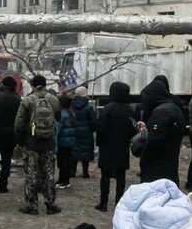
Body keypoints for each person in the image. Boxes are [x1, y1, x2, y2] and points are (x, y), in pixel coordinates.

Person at [14, 74, 62, 215]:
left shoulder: (27, 100)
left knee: (32, 174)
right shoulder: (53, 100)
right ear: (45, 84)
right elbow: (58, 119)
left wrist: (21, 141)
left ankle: (31, 205)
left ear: (33, 86)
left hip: (32, 143)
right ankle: (50, 204)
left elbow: (19, 124)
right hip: (48, 143)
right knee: (49, 174)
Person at [95, 81, 135, 212]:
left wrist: (99, 143)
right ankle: (119, 202)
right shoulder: (129, 110)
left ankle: (103, 203)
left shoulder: (107, 109)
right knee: (121, 176)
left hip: (107, 146)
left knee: (105, 176)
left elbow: (100, 128)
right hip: (122, 147)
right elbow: (132, 129)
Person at [138, 81, 185, 184]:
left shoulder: (161, 112)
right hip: (170, 167)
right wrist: (147, 128)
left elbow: (154, 142)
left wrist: (142, 155)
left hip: (157, 172)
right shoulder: (174, 107)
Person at [71, 85, 97, 178]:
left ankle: (72, 172)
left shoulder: (71, 106)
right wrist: (93, 129)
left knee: (74, 151)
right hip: (86, 133)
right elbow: (94, 122)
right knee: (85, 152)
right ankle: (85, 173)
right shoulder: (89, 107)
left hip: (74, 131)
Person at [56, 93, 77, 189]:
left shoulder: (62, 114)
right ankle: (65, 180)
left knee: (62, 162)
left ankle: (63, 180)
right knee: (67, 162)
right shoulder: (72, 113)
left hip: (62, 142)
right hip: (70, 142)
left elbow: (58, 128)